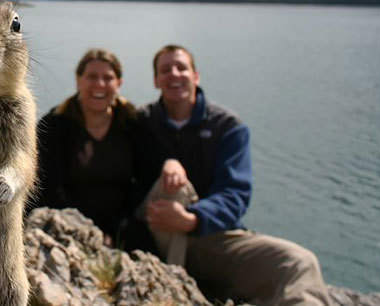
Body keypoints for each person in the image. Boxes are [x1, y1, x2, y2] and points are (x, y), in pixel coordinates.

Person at [138, 44, 333, 306]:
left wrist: (192, 219)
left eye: (181, 67)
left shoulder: (227, 127)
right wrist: (168, 163)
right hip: (153, 234)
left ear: (196, 76)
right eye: (165, 70)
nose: (174, 74)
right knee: (173, 187)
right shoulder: (140, 121)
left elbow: (235, 194)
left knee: (299, 262)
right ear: (155, 80)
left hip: (209, 239)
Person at [33, 48, 151, 246]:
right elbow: (48, 187)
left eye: (108, 78)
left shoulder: (133, 123)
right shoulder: (54, 125)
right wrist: (88, 231)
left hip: (122, 223)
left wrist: (117, 228)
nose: (100, 84)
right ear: (78, 80)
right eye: (92, 77)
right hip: (65, 221)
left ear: (119, 84)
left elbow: (146, 178)